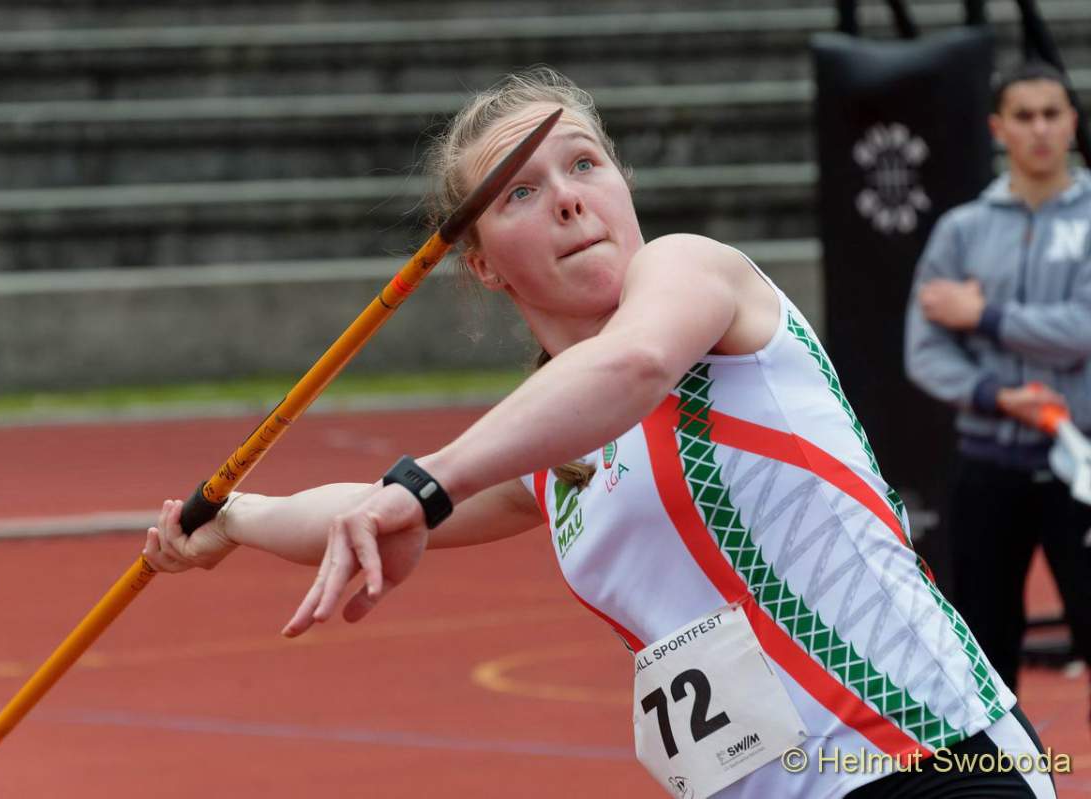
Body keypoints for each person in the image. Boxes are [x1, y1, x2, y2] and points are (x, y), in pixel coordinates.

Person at [147, 68, 1056, 798]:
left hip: (928, 757)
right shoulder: (549, 447)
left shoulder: (695, 273)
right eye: (520, 192)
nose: (568, 200)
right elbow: (368, 510)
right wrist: (234, 518)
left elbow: (633, 365)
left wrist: (426, 484)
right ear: (481, 264)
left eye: (584, 165)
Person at [904, 61, 1091, 702]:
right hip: (988, 465)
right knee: (979, 656)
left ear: (1071, 122)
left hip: (1082, 466)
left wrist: (982, 317)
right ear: (998, 128)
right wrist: (997, 396)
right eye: (1023, 115)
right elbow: (924, 349)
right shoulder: (962, 230)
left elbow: (1084, 329)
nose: (1039, 129)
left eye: (1051, 114)